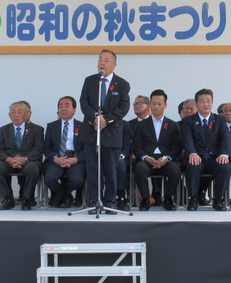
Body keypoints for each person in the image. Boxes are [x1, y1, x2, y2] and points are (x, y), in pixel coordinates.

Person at [79, 49, 130, 214]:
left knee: (110, 170)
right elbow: (84, 103)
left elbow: (123, 108)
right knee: (93, 169)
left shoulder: (122, 84)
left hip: (111, 133)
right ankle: (94, 202)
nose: (102, 62)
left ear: (114, 64)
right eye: (100, 59)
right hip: (91, 131)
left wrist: (105, 120)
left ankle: (110, 202)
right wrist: (95, 117)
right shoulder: (90, 81)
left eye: (106, 60)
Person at [181, 88, 231, 211]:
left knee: (225, 166)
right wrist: (192, 153)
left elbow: (226, 137)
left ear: (212, 103)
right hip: (197, 157)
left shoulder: (219, 119)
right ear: (197, 104)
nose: (206, 104)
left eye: (209, 101)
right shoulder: (188, 121)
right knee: (192, 165)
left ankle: (218, 200)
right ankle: (193, 199)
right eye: (202, 101)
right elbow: (187, 139)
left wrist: (224, 154)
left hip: (214, 157)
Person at [133, 89, 181, 211]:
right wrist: (145, 157)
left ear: (165, 105)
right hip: (148, 159)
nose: (156, 107)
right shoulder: (141, 125)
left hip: (166, 160)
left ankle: (169, 198)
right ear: (149, 105)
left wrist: (166, 158)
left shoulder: (173, 125)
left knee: (175, 169)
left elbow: (177, 147)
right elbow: (137, 147)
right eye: (153, 103)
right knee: (139, 168)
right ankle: (145, 199)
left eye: (159, 104)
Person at [0, 101, 44, 210]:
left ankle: (27, 199)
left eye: (20, 112)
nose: (16, 114)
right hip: (9, 161)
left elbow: (38, 149)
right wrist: (9, 159)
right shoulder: (3, 130)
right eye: (13, 112)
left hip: (28, 161)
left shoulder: (37, 129)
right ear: (9, 115)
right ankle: (7, 198)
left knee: (33, 168)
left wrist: (25, 159)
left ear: (25, 114)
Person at [43, 96, 84, 208]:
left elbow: (87, 149)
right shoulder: (51, 126)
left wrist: (76, 159)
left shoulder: (83, 126)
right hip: (57, 157)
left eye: (67, 106)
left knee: (77, 180)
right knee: (49, 179)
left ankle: (62, 196)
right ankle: (65, 195)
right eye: (61, 106)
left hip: (75, 157)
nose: (63, 108)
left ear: (74, 109)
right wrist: (55, 159)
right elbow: (46, 148)